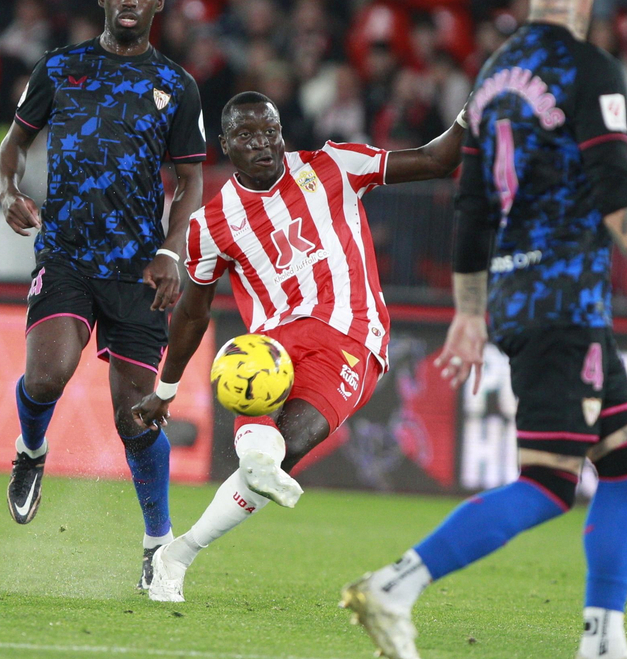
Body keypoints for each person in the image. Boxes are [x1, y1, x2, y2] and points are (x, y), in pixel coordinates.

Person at [341, 0, 627, 659]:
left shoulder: (494, 73)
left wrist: (469, 309)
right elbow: (617, 191)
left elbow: (471, 201)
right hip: (563, 302)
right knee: (546, 482)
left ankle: (603, 644)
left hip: (522, 295)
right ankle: (396, 586)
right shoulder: (591, 70)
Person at [130, 92, 465, 603]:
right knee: (261, 448)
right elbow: (194, 315)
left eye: (269, 131)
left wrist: (471, 111)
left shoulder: (334, 165)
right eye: (246, 136)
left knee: (285, 452)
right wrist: (166, 388)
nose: (261, 144)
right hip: (269, 351)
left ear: (282, 131)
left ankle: (179, 553)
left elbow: (438, 160)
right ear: (226, 146)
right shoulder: (210, 225)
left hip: (350, 336)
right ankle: (184, 547)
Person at [0, 0, 205, 590]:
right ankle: (31, 453)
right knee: (47, 375)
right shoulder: (61, 69)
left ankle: (157, 544)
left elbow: (192, 179)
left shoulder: (177, 85)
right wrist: (9, 192)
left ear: (159, 2)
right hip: (65, 255)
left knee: (135, 417)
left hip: (139, 271)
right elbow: (13, 147)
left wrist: (172, 252)